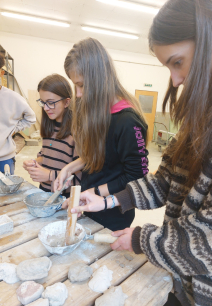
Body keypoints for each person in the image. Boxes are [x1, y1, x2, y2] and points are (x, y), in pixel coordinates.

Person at [69, 0, 212, 305]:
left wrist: (142, 239)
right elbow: (165, 181)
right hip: (179, 280)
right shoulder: (200, 119)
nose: (175, 80)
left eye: (178, 61)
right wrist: (110, 199)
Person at [54, 38, 149, 231]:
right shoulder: (98, 112)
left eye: (81, 85)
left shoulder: (127, 121)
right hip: (91, 202)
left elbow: (136, 177)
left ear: (99, 78)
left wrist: (94, 192)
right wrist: (70, 168)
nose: (78, 94)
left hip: (114, 212)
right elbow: (99, 155)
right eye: (76, 86)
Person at [23, 74, 80, 197]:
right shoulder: (49, 127)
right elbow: (45, 155)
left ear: (66, 102)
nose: (46, 108)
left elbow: (79, 179)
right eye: (43, 102)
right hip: (44, 192)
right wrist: (34, 163)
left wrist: (49, 175)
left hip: (63, 198)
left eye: (51, 102)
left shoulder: (77, 133)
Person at [0, 54, 36, 174]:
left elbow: (31, 117)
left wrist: (14, 130)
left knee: (6, 192)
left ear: (1, 73)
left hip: (4, 158)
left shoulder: (13, 98)